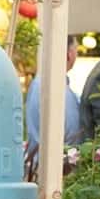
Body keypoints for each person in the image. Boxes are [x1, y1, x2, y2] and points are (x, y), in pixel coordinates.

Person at [24, 35, 81, 169]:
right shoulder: (54, 86)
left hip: (40, 165)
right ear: (69, 54)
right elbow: (71, 132)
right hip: (54, 170)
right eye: (76, 51)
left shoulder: (41, 82)